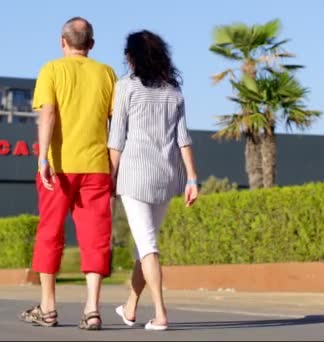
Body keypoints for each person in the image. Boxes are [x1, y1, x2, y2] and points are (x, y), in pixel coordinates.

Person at [19, 17, 117, 330]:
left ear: (63, 42)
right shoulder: (107, 74)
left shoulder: (51, 70)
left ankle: (48, 307)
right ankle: (92, 309)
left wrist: (43, 157)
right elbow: (116, 124)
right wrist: (114, 165)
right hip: (96, 167)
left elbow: (48, 112)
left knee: (50, 232)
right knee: (95, 237)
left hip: (59, 167)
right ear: (91, 44)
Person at [108, 30, 199, 331]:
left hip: (134, 176)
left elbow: (116, 139)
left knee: (147, 245)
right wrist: (192, 179)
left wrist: (109, 178)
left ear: (132, 57)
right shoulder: (174, 91)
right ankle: (131, 307)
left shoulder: (126, 88)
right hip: (167, 176)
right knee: (144, 246)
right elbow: (183, 139)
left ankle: (160, 313)